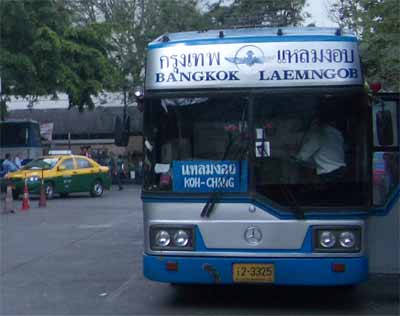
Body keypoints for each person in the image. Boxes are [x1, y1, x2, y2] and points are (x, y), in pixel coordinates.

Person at [295, 105, 346, 183]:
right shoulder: (336, 133)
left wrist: (295, 157)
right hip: (340, 171)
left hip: (329, 173)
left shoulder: (318, 133)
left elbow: (302, 157)